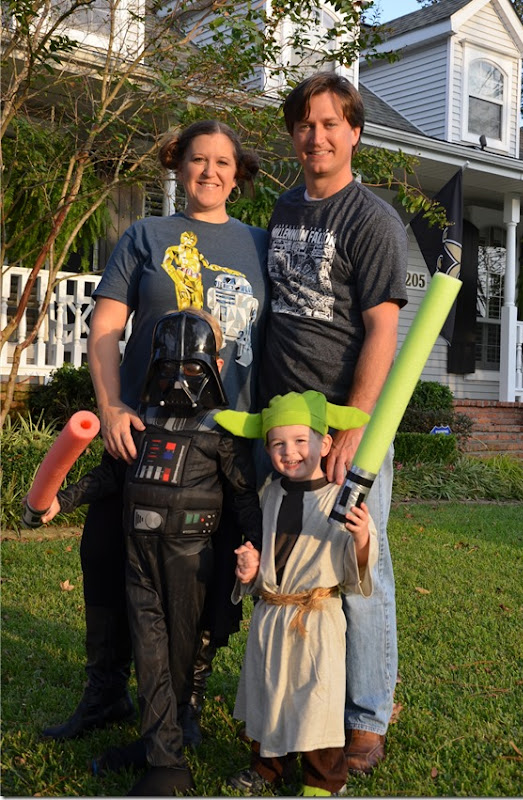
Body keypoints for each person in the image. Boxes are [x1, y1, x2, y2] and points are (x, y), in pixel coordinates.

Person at [41, 120, 269, 757]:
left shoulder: (260, 244)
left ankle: (186, 702)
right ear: (178, 165)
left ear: (238, 174)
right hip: (142, 433)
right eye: (198, 159)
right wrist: (112, 405)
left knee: (207, 574)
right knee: (105, 554)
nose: (209, 171)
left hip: (222, 441)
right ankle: (106, 689)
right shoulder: (145, 235)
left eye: (222, 162)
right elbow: (106, 327)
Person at [40, 309, 263, 796]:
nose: (180, 379)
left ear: (215, 366)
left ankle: (166, 753)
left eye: (192, 368)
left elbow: (245, 497)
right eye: (170, 367)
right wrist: (61, 501)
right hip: (139, 559)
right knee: (149, 653)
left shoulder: (221, 430)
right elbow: (112, 475)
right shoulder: (142, 421)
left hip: (190, 562)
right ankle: (162, 753)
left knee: (178, 656)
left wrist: (260, 550)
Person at [259, 72, 408, 774]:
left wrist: (355, 428)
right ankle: (305, 700)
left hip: (347, 426)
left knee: (358, 563)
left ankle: (368, 716)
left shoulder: (372, 219)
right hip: (286, 429)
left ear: (354, 132)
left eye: (329, 123)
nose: (315, 136)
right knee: (297, 563)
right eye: (304, 124)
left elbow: (382, 330)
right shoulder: (284, 207)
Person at [214, 390, 378, 797]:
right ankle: (267, 768)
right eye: (278, 444)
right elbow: (267, 556)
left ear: (325, 444)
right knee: (271, 693)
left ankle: (324, 780)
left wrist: (361, 536)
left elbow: (355, 568)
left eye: (301, 441)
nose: (289, 452)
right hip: (273, 615)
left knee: (316, 699)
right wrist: (251, 568)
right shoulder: (271, 493)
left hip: (315, 618)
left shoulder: (339, 498)